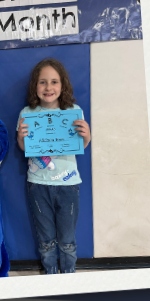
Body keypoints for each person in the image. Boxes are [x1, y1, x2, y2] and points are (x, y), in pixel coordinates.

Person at [17, 58, 92, 274]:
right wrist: (22, 138)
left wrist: (87, 136)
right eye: (42, 82)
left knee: (67, 240)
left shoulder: (73, 111)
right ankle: (51, 273)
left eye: (54, 82)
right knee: (46, 239)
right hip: (38, 184)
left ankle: (68, 275)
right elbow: (24, 148)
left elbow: (81, 145)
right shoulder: (27, 114)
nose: (48, 87)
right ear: (35, 86)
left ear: (63, 85)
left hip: (69, 185)